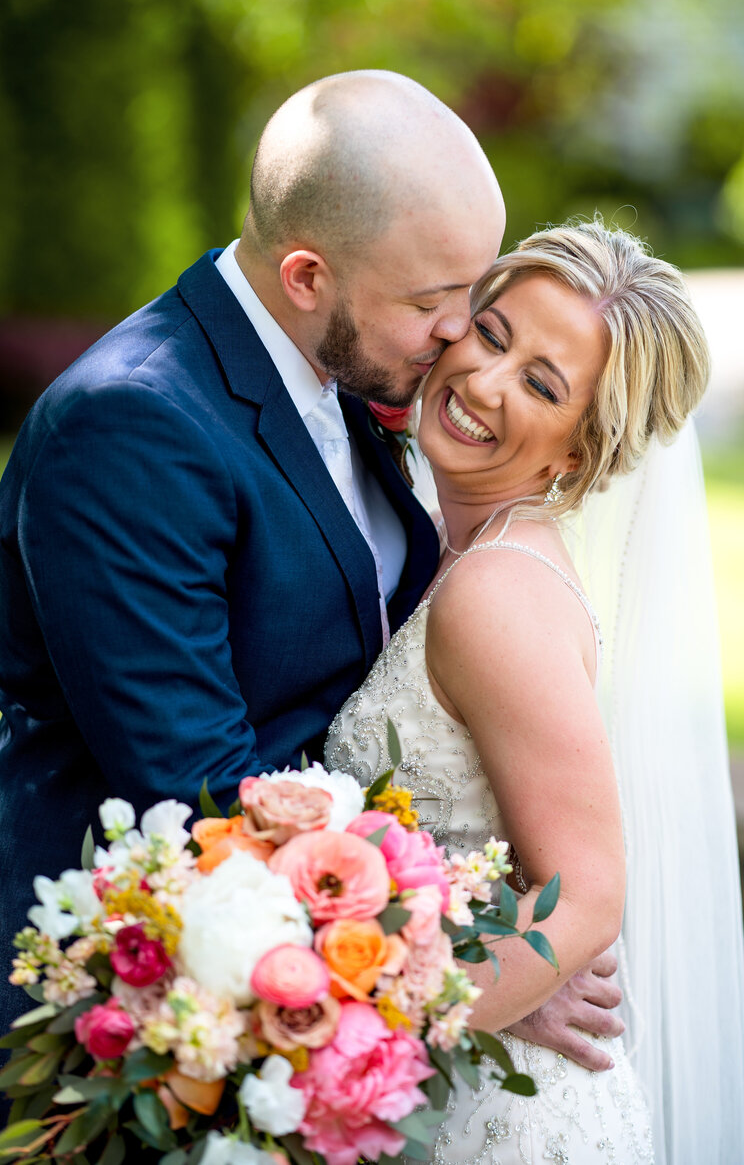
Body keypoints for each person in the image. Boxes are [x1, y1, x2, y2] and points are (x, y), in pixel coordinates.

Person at [0, 72, 618, 1066]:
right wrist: (455, 981)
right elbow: (204, 800)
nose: (459, 333)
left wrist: (486, 972)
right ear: (305, 278)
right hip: (141, 1033)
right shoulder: (130, 428)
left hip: (299, 998)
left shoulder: (349, 375)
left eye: (473, 289)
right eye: (431, 300)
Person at [325, 219, 744, 1163]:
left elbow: (588, 896)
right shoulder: (439, 539)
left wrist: (346, 1032)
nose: (483, 382)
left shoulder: (496, 593)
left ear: (579, 453)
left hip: (499, 1116)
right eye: (493, 333)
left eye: (541, 384)